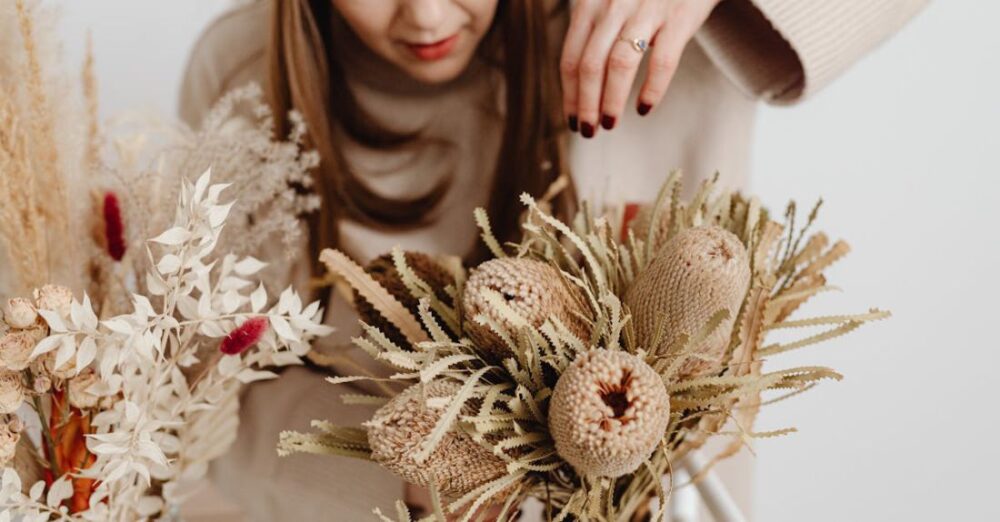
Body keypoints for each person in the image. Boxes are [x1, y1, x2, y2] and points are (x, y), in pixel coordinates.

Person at [179, 0, 925, 518]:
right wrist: (406, 477)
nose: (428, 18)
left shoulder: (653, 33)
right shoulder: (243, 74)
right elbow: (213, 394)